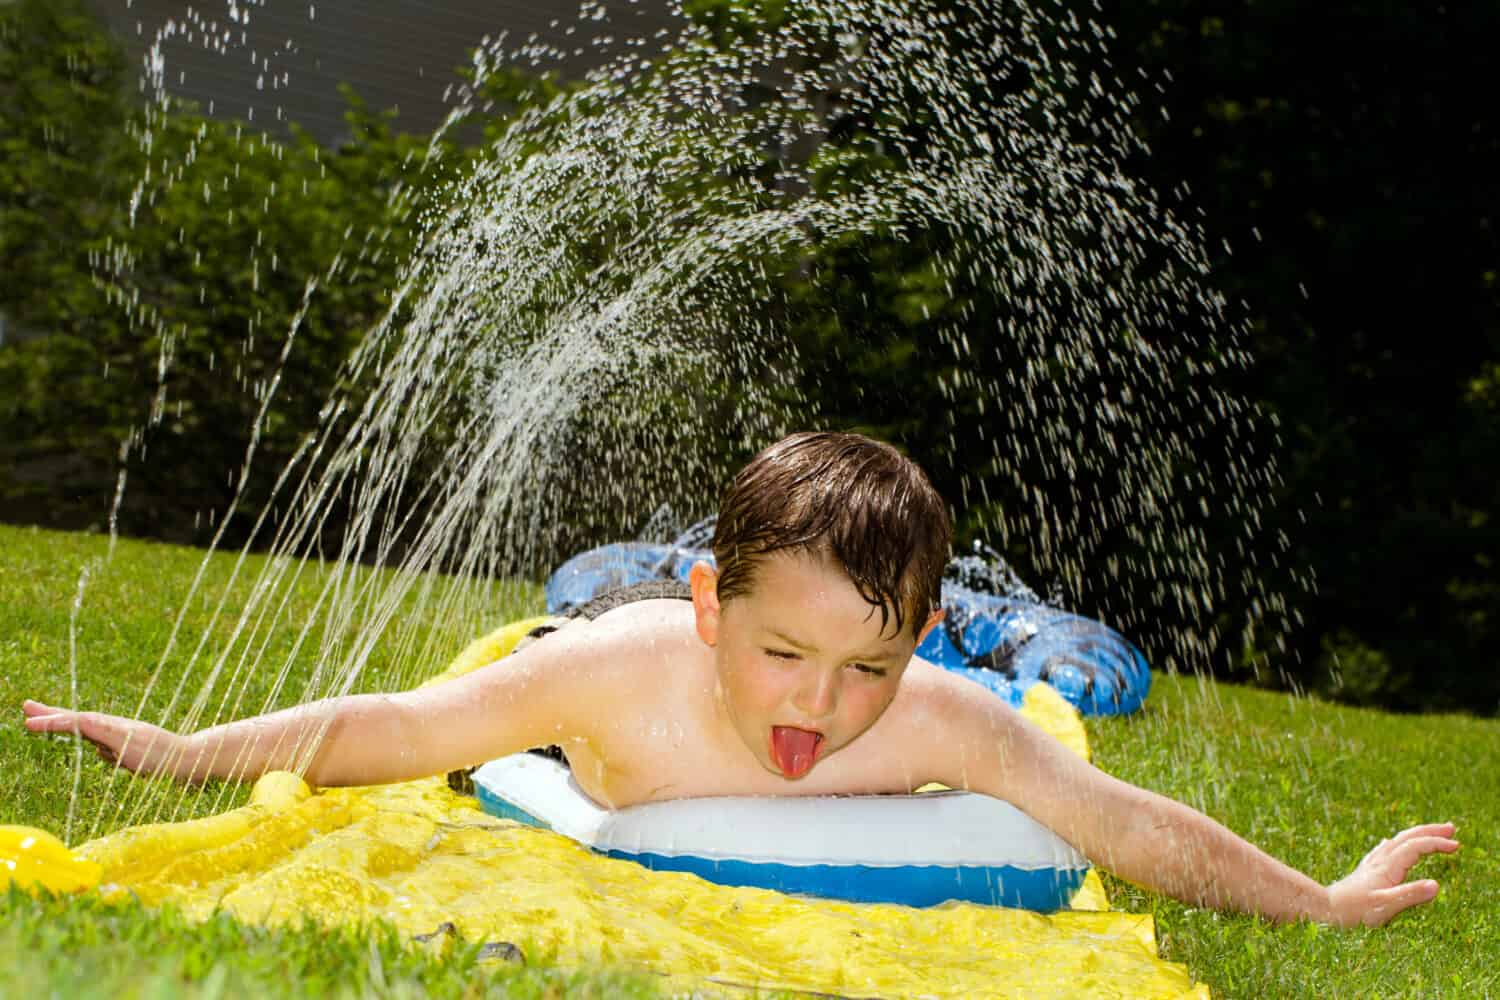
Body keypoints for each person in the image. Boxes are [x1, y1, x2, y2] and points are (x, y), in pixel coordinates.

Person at [23, 431, 1457, 928]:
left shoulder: (946, 715)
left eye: (867, 670)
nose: (818, 712)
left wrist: (1320, 899)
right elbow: (402, 729)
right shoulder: (614, 676)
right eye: (783, 656)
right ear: (712, 613)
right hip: (601, 670)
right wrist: (191, 748)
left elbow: (1118, 820)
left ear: (926, 642)